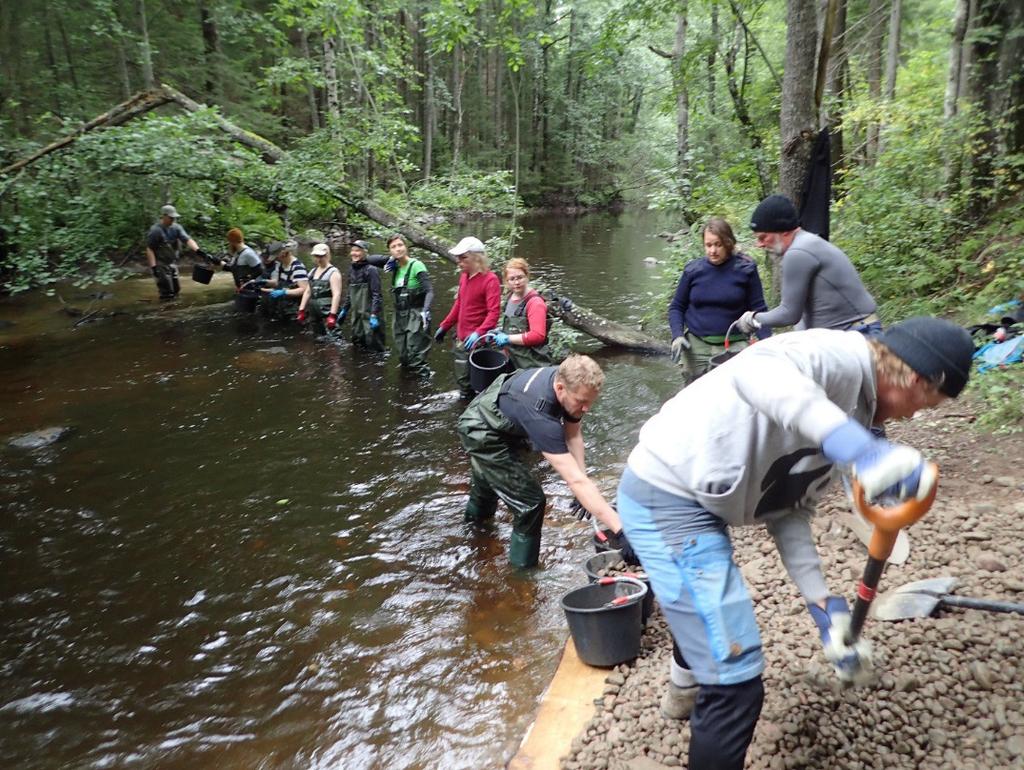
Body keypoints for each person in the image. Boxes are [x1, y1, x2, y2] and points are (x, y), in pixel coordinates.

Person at [614, 317, 974, 770]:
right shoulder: (838, 357)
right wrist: (858, 448)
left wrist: (824, 608)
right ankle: (694, 691)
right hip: (664, 494)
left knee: (705, 615)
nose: (911, 417)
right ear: (917, 380)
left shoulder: (860, 416)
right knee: (735, 684)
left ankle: (682, 693)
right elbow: (754, 372)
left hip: (704, 502)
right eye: (923, 406)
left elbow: (787, 509)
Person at [457, 354, 636, 568]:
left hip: (503, 416)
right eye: (581, 402)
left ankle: (474, 532)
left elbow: (573, 435)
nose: (586, 408)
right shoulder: (540, 415)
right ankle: (523, 573)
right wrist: (621, 531)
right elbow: (574, 480)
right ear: (560, 389)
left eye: (590, 401)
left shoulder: (569, 381)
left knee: (489, 481)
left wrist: (583, 483)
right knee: (530, 503)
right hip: (482, 429)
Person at [736, 194, 879, 336]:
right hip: (852, 334)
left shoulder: (798, 252)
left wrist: (752, 318)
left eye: (763, 237)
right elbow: (801, 315)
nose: (759, 244)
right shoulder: (806, 243)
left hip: (858, 335)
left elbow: (789, 314)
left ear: (784, 231)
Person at [668, 217, 771, 383]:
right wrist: (677, 335)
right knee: (694, 398)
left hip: (734, 346)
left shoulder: (745, 269)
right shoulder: (693, 270)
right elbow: (677, 307)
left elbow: (758, 309)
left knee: (733, 395)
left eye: (718, 245)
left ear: (728, 243)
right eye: (708, 245)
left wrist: (766, 343)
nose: (713, 251)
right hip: (696, 347)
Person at [434, 236, 501, 399]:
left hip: (480, 342)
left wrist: (479, 332)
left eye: (464, 258)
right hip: (462, 339)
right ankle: (464, 408)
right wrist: (445, 326)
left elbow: (494, 313)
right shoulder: (464, 277)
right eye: (458, 258)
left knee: (481, 384)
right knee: (463, 380)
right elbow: (459, 305)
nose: (459, 262)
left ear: (477, 258)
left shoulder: (490, 279)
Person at [382, 234, 434, 377]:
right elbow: (368, 259)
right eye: (393, 247)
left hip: (416, 314)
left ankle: (423, 388)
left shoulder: (416, 265)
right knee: (403, 355)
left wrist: (425, 311)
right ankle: (406, 389)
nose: (398, 249)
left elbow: (429, 291)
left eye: (400, 245)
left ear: (406, 247)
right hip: (399, 316)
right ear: (390, 251)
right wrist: (390, 260)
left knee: (415, 354)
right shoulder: (394, 267)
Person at [490, 258, 554, 370]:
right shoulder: (509, 298)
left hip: (533, 364)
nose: (516, 282)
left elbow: (538, 336)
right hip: (514, 360)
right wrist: (499, 331)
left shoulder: (535, 303)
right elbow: (514, 327)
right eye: (512, 279)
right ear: (506, 281)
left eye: (520, 277)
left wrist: (507, 338)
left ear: (527, 276)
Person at [338, 240, 385, 351]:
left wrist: (374, 315)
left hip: (370, 316)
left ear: (365, 252)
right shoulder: (351, 270)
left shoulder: (371, 270)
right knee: (357, 345)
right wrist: (344, 310)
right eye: (353, 250)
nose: (354, 253)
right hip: (357, 317)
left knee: (374, 349)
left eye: (358, 250)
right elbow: (350, 293)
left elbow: (376, 295)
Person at [145, 204, 200, 300]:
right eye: (171, 218)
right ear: (164, 216)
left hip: (172, 263)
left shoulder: (177, 228)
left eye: (174, 218)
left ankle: (174, 309)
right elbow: (150, 249)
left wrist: (198, 251)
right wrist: (154, 268)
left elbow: (187, 240)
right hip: (160, 264)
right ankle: (166, 311)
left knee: (176, 289)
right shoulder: (155, 231)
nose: (173, 220)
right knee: (167, 292)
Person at [297, 243, 342, 338]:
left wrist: (332, 315)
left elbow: (336, 294)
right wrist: (301, 310)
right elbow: (308, 291)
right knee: (318, 337)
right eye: (316, 256)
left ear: (328, 255)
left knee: (334, 338)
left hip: (327, 310)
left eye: (321, 256)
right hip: (314, 310)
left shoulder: (333, 272)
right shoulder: (312, 272)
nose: (319, 259)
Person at [259, 240, 308, 320]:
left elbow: (304, 290)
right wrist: (262, 286)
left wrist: (284, 292)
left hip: (293, 311)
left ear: (284, 253)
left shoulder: (297, 267)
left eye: (277, 257)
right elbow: (278, 285)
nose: (276, 260)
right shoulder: (281, 266)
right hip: (282, 308)